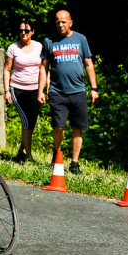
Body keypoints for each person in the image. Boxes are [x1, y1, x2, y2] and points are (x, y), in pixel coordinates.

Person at [38, 9, 98, 175]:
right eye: (58, 21)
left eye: (64, 21)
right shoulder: (49, 40)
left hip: (78, 91)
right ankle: (57, 156)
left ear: (70, 23)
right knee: (59, 126)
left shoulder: (80, 39)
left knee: (77, 127)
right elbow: (43, 67)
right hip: (57, 91)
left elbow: (88, 63)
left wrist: (94, 88)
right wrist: (41, 90)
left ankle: (74, 162)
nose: (60, 24)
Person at [4, 17, 42, 163]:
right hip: (18, 88)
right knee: (25, 120)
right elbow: (7, 70)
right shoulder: (13, 48)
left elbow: (44, 69)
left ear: (32, 31)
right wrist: (7, 90)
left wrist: (46, 87)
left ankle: (22, 151)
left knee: (32, 120)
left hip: (35, 88)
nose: (23, 33)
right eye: (21, 31)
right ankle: (28, 155)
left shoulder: (39, 46)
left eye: (26, 31)